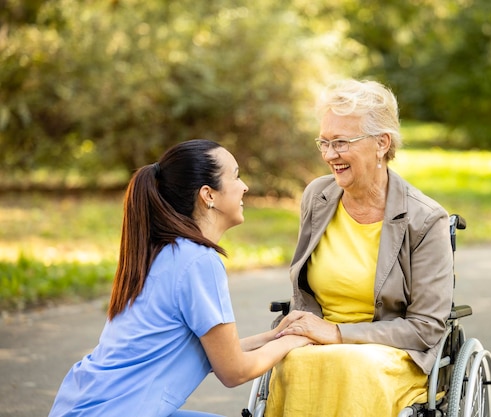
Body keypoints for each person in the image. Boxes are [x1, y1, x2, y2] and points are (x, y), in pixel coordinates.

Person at [48, 139, 311, 417]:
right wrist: (296, 340)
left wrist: (275, 336)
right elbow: (234, 371)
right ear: (208, 195)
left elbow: (216, 354)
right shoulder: (199, 261)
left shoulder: (167, 250)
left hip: (84, 406)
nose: (244, 186)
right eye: (235, 176)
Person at [265, 80, 455, 416]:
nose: (328, 155)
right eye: (323, 142)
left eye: (340, 142)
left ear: (382, 143)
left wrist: (337, 334)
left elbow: (426, 327)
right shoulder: (318, 197)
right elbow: (304, 292)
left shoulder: (425, 219)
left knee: (355, 368)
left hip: (389, 352)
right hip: (319, 343)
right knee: (293, 364)